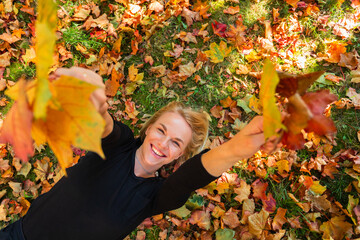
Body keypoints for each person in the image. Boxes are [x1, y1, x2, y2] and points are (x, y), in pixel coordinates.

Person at [0, 67, 277, 240]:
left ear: (179, 156)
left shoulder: (156, 197)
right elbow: (102, 122)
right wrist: (90, 94)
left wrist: (243, 144)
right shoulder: (118, 145)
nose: (163, 144)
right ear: (148, 129)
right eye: (161, 131)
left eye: (176, 143)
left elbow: (192, 177)